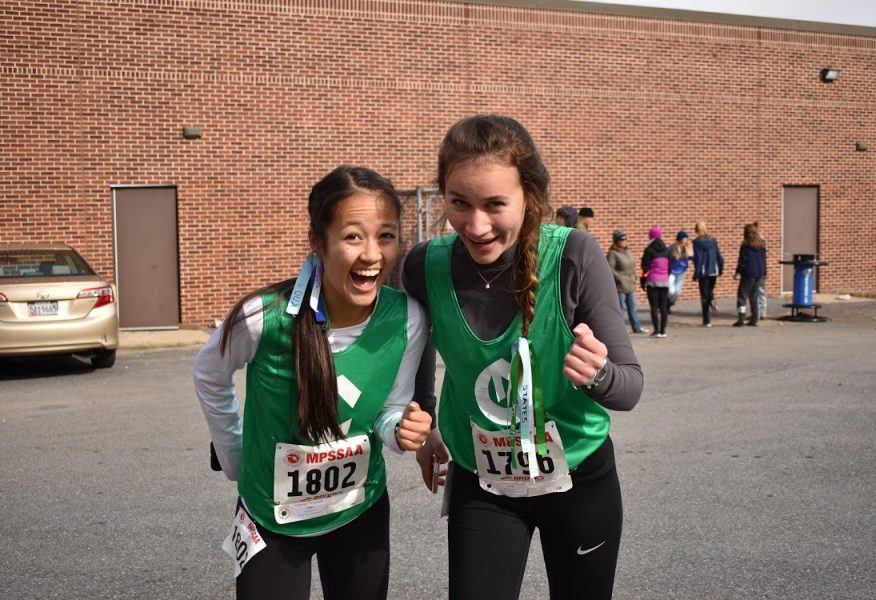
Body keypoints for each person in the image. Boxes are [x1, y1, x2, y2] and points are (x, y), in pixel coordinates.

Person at [403, 115, 643, 600]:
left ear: (528, 196)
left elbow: (629, 387)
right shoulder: (424, 264)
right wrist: (426, 423)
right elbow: (415, 348)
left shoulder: (574, 255)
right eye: (459, 203)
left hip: (577, 480)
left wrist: (597, 375)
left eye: (495, 205)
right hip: (483, 482)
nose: (476, 225)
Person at [193, 166, 431, 600]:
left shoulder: (409, 318)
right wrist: (234, 458)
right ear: (318, 242)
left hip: (359, 512)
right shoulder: (262, 317)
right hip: (272, 518)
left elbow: (387, 411)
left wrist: (399, 429)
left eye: (386, 236)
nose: (372, 255)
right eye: (353, 236)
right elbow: (209, 373)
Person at [607, 229, 647, 334]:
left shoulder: (628, 252)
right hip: (620, 285)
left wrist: (635, 276)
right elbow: (609, 268)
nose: (624, 241)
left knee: (633, 307)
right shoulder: (612, 253)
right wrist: (619, 278)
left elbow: (633, 266)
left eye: (625, 238)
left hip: (630, 283)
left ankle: (636, 328)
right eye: (621, 239)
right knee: (620, 309)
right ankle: (618, 330)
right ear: (616, 241)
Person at [733, 222, 767, 327]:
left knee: (742, 296)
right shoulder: (761, 245)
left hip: (748, 273)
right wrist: (764, 273)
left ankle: (741, 318)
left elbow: (742, 261)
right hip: (759, 273)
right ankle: (754, 318)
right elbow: (764, 260)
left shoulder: (745, 246)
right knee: (754, 297)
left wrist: (738, 271)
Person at [640, 226, 672, 338]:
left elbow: (644, 268)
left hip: (652, 282)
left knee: (654, 306)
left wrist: (642, 280)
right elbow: (670, 268)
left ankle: (656, 330)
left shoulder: (649, 250)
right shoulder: (667, 250)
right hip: (664, 282)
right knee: (663, 307)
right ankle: (663, 330)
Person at [691, 221, 724, 327]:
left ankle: (707, 320)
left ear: (697, 231)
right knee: (710, 290)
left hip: (703, 271)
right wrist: (721, 267)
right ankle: (712, 301)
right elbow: (718, 255)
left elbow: (697, 259)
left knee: (704, 296)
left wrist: (696, 273)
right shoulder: (713, 241)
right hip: (713, 269)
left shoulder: (696, 243)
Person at [667, 229, 693, 310]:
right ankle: (667, 303)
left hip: (681, 272)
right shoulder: (672, 248)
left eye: (685, 239)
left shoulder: (688, 249)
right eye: (682, 239)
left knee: (678, 292)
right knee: (671, 291)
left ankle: (669, 304)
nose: (684, 241)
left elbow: (693, 258)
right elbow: (665, 257)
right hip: (671, 272)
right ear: (679, 240)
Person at [753, 221, 767, 319]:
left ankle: (757, 313)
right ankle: (763, 312)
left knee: (755, 292)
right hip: (762, 270)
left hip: (755, 271)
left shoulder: (753, 242)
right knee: (761, 291)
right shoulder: (762, 242)